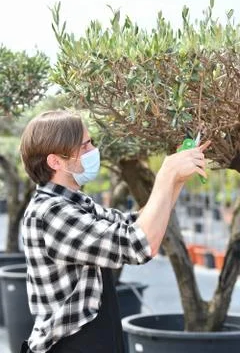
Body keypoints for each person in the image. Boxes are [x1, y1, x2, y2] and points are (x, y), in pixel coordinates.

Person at [19, 110, 210, 353]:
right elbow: (138, 244)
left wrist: (177, 180)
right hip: (69, 345)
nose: (93, 151)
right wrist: (164, 175)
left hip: (93, 339)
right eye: (85, 146)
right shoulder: (51, 214)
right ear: (55, 161)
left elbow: (135, 223)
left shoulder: (74, 204)